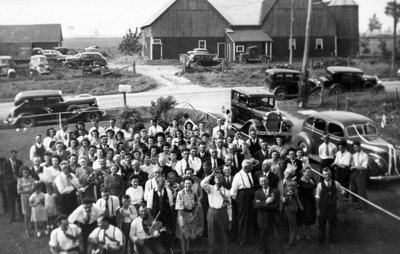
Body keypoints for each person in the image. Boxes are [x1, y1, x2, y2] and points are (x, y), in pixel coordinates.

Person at [201, 170, 232, 254]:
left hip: (222, 213)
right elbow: (202, 183)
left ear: (223, 179)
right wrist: (211, 175)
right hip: (212, 213)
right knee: (212, 235)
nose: (218, 178)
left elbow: (229, 207)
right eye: (216, 177)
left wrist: (230, 220)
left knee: (223, 235)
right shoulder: (210, 188)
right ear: (214, 179)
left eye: (220, 177)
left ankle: (223, 251)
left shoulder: (227, 191)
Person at [253, 175, 283, 254]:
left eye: (265, 181)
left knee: (276, 237)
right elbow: (255, 205)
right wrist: (266, 202)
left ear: (268, 181)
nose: (263, 183)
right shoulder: (257, 193)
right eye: (262, 181)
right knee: (263, 237)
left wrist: (262, 205)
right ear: (259, 183)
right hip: (262, 219)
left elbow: (276, 205)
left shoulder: (275, 191)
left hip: (274, 218)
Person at [315, 167, 344, 245]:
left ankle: (333, 241)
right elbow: (317, 197)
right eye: (325, 174)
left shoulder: (336, 183)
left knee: (333, 224)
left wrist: (338, 200)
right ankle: (321, 241)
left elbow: (342, 192)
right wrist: (318, 209)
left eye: (328, 174)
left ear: (330, 174)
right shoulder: (320, 185)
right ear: (323, 175)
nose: (327, 176)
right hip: (323, 207)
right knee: (322, 225)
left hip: (332, 207)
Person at [175, 177, 203, 254]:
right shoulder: (180, 193)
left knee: (189, 234)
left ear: (192, 184)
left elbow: (197, 205)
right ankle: (183, 252)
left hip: (192, 215)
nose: (188, 185)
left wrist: (193, 216)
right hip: (182, 215)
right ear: (184, 184)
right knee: (182, 234)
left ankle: (187, 250)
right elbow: (179, 208)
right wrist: (184, 219)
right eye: (186, 183)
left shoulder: (194, 193)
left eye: (189, 183)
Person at [3, 148, 23, 223]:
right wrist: (14, 179)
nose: (15, 156)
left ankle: (21, 216)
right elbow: (5, 174)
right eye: (13, 155)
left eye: (16, 155)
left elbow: (21, 172)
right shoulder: (6, 163)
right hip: (10, 185)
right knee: (11, 202)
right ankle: (12, 217)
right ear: (10, 154)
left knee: (19, 201)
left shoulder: (19, 162)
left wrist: (19, 179)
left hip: (18, 185)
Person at [297, 168, 316, 240]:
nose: (309, 174)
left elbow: (314, 187)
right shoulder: (299, 181)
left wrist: (312, 183)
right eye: (308, 172)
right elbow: (299, 192)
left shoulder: (312, 179)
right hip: (302, 201)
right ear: (303, 173)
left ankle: (307, 234)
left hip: (310, 200)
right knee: (301, 219)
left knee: (309, 218)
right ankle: (298, 234)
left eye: (310, 172)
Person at [17, 166, 35, 236]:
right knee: (26, 214)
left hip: (32, 197)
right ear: (22, 173)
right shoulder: (20, 180)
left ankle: (33, 227)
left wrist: (25, 191)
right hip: (24, 199)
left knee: (32, 212)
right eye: (24, 173)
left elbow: (33, 189)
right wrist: (28, 191)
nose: (26, 174)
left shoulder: (32, 179)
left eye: (27, 172)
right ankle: (26, 230)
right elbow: (19, 191)